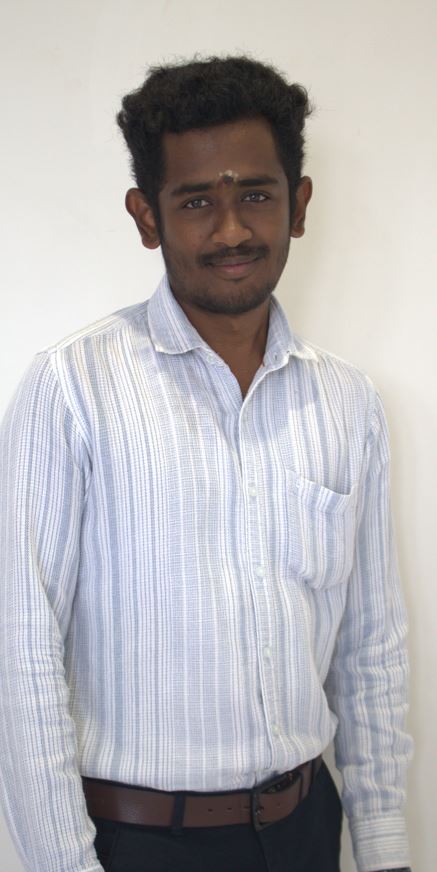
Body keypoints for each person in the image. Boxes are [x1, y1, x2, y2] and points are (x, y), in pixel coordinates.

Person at [0, 55, 413, 872]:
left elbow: (370, 644)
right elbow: (21, 647)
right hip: (138, 843)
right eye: (195, 202)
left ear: (298, 204)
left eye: (255, 195)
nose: (230, 231)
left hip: (305, 830)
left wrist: (383, 844)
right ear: (146, 217)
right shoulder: (72, 389)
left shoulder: (347, 402)